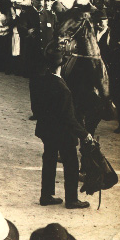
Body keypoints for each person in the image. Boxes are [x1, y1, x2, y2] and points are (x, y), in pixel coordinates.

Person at [28, 48, 92, 209]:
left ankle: (46, 195)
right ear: (61, 66)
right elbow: (68, 118)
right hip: (63, 133)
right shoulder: (62, 88)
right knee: (71, 164)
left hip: (46, 130)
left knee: (49, 160)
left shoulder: (39, 81)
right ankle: (72, 199)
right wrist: (84, 134)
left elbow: (36, 108)